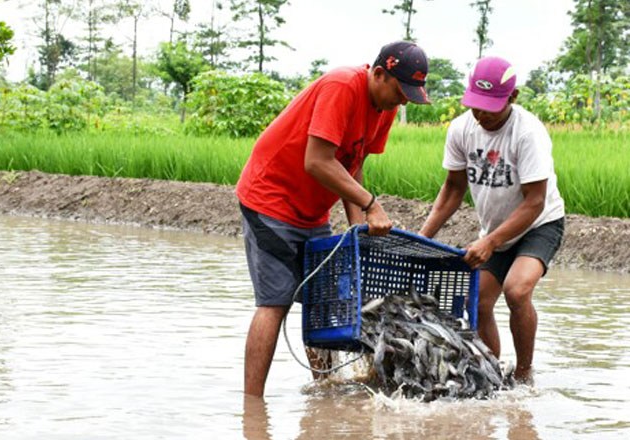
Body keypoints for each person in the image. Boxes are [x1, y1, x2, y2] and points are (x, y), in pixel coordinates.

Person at [236, 41, 431, 397]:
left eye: (409, 97)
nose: (402, 102)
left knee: (322, 304)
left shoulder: (385, 108)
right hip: (270, 198)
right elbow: (317, 161)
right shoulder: (342, 87)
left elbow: (351, 165)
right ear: (379, 74)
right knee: (275, 302)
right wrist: (371, 204)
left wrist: (357, 225)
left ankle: (323, 391)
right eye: (400, 92)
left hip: (312, 210)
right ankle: (252, 406)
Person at [418, 56, 565, 383]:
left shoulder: (528, 133)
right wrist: (422, 239)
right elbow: (453, 189)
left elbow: (535, 201)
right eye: (476, 106)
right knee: (479, 301)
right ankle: (492, 376)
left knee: (516, 290)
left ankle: (524, 375)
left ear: (512, 97)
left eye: (490, 107)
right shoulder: (461, 129)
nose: (481, 114)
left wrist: (490, 241)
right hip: (496, 228)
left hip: (539, 223)